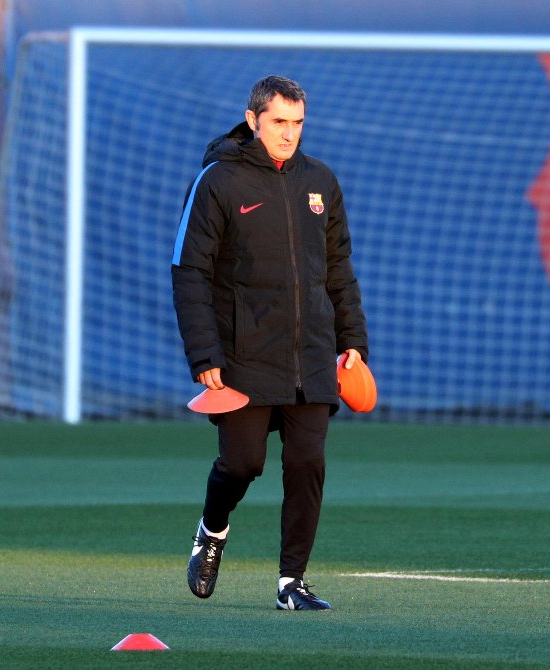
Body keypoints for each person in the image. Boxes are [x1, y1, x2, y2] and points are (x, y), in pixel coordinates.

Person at [170, 75, 369, 611]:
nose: (289, 133)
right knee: (243, 463)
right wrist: (204, 354)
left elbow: (338, 268)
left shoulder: (320, 181)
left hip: (312, 355)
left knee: (307, 465)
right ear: (252, 119)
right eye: (279, 121)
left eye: (298, 122)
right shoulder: (217, 181)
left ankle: (291, 583)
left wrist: (352, 338)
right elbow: (190, 272)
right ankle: (212, 530)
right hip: (243, 354)